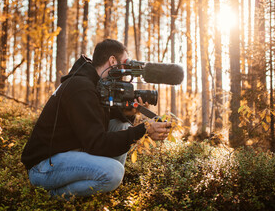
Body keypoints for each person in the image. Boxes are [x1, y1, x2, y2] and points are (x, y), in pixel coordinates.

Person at [21, 39, 171, 198]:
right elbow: (97, 143)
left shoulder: (96, 86)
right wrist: (144, 129)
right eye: (125, 64)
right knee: (114, 172)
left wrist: (132, 112)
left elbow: (108, 124)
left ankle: (102, 188)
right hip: (43, 167)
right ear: (112, 61)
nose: (126, 71)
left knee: (120, 124)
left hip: (66, 153)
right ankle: (53, 196)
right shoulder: (81, 87)